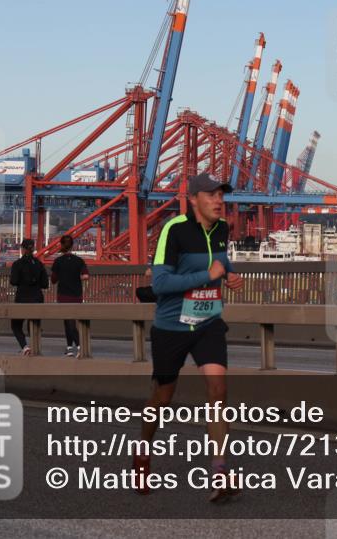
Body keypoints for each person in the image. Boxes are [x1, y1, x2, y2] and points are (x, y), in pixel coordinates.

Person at [135, 173, 244, 502]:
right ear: (194, 199)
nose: (219, 201)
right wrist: (206, 275)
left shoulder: (222, 229)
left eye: (221, 195)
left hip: (208, 323)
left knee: (218, 390)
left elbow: (221, 262)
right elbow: (160, 284)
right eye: (211, 195)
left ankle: (220, 472)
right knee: (162, 398)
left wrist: (230, 275)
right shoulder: (174, 230)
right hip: (172, 326)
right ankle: (142, 453)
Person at [51, 234, 89, 357]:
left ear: (61, 245)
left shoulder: (58, 261)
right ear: (72, 246)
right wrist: (76, 277)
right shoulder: (79, 261)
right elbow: (85, 276)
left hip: (63, 295)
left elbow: (53, 280)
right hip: (77, 295)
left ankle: (79, 346)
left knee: (68, 322)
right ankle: (69, 347)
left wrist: (62, 276)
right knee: (69, 322)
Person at [9, 238, 49, 356]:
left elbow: (13, 281)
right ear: (33, 249)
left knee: (16, 325)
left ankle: (25, 347)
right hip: (37, 297)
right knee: (34, 324)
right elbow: (45, 284)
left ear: (22, 249)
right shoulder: (39, 264)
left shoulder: (17, 264)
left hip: (22, 297)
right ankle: (35, 347)